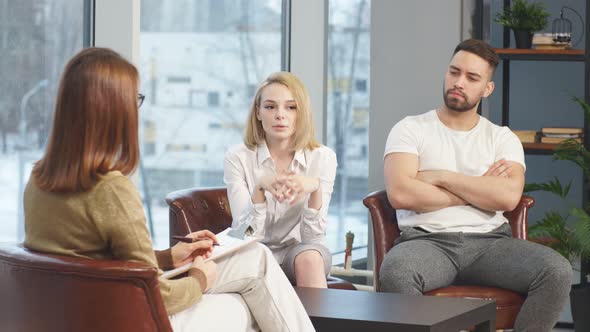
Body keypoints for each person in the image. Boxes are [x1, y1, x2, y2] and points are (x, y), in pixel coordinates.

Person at [23, 47, 315, 332]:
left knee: (256, 259)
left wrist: (168, 257)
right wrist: (200, 279)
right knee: (247, 305)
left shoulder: (37, 181)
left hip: (84, 311)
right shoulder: (111, 190)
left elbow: (98, 262)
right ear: (112, 111)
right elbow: (153, 294)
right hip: (133, 318)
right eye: (133, 100)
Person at [381, 39, 572, 331]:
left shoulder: (501, 138)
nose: (459, 82)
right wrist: (480, 190)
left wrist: (442, 177)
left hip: (490, 245)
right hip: (425, 242)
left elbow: (508, 198)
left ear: (487, 89)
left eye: (472, 78)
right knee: (396, 272)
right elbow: (401, 193)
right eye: (454, 72)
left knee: (557, 271)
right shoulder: (410, 129)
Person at [224, 72, 336, 288]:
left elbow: (313, 240)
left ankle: (318, 324)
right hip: (253, 252)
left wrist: (315, 188)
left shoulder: (323, 157)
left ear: (301, 112)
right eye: (270, 107)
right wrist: (259, 188)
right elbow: (243, 235)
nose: (280, 115)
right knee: (252, 259)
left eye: (291, 107)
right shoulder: (237, 157)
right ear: (258, 112)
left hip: (298, 254)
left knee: (310, 258)